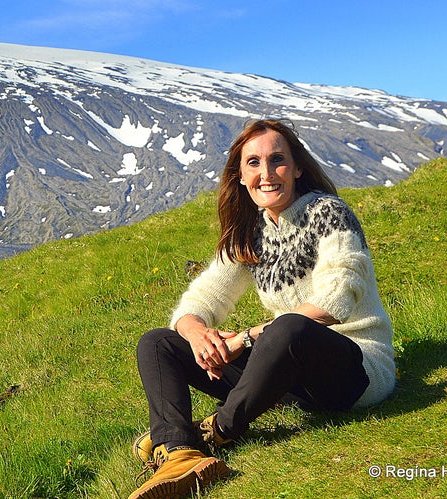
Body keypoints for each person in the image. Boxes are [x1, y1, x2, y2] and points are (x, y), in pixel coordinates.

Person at [129, 119, 396, 498]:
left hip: (354, 371)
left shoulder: (329, 213)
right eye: (253, 163)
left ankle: (214, 433)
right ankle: (179, 452)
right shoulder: (252, 231)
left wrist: (246, 337)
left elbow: (337, 298)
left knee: (288, 328)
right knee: (159, 343)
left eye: (277, 160)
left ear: (297, 167)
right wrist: (198, 333)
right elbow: (201, 299)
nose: (266, 174)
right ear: (239, 175)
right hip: (287, 377)